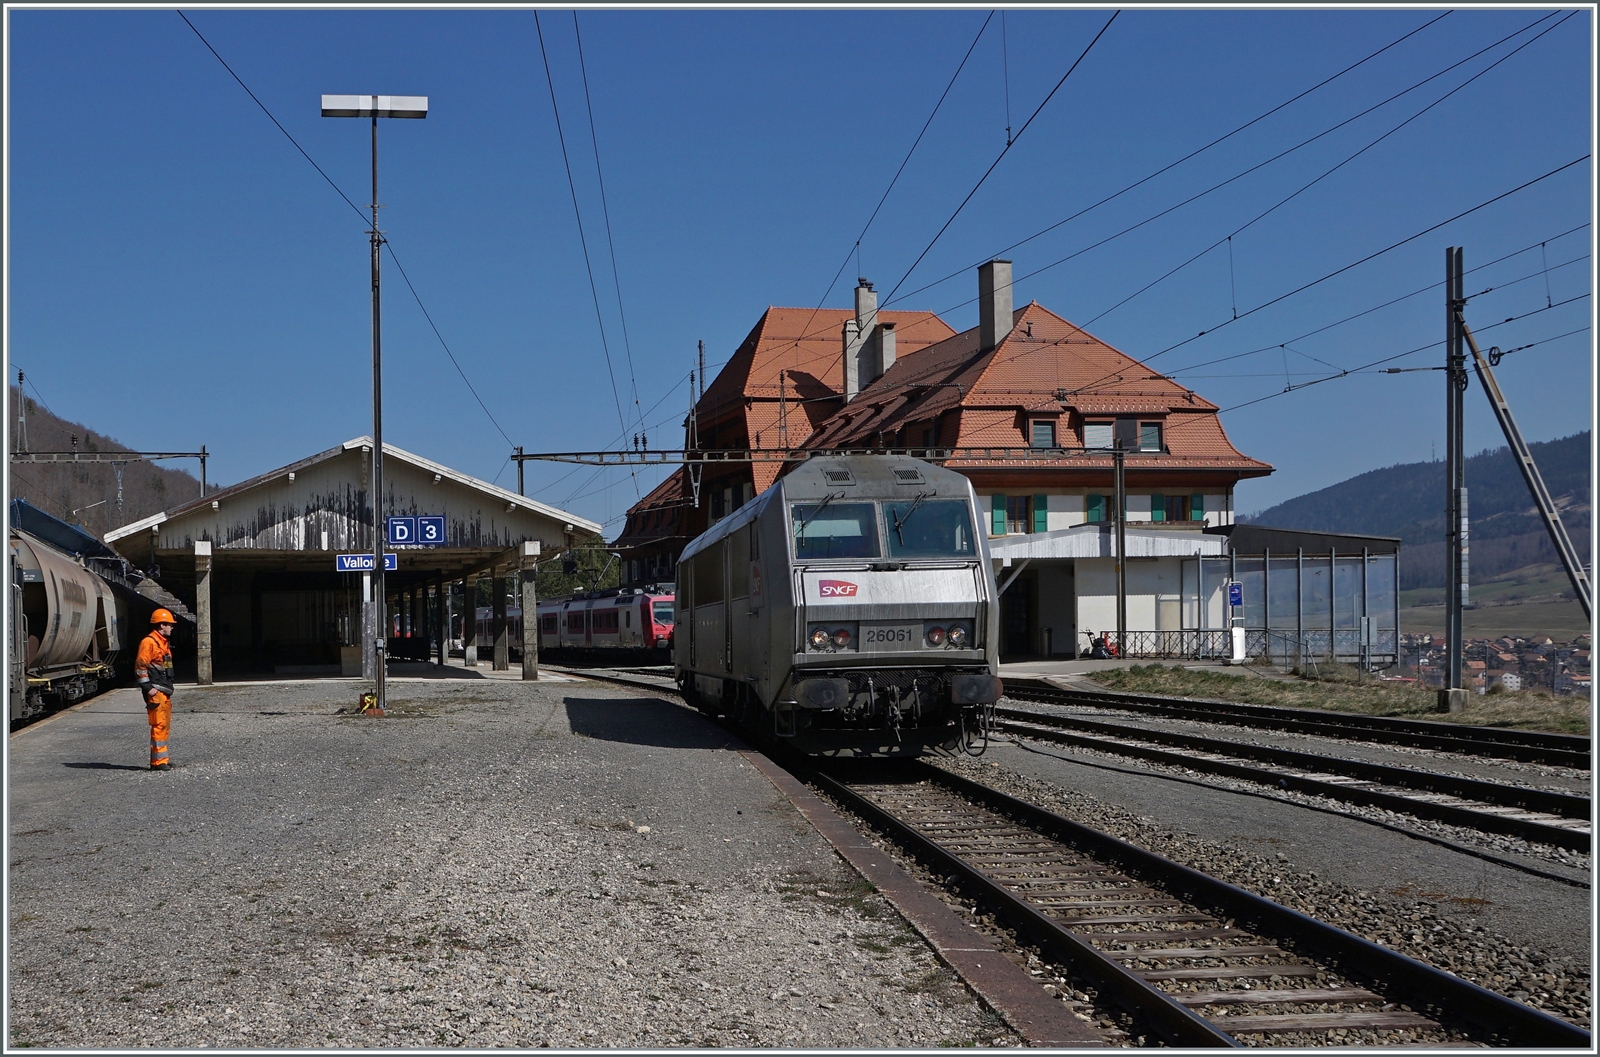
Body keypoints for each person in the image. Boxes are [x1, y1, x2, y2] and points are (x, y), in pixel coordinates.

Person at [136, 609, 178, 771]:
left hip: (164, 690)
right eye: (170, 625)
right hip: (156, 690)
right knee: (159, 725)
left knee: (164, 725)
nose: (172, 628)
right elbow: (140, 667)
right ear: (162, 625)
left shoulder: (162, 642)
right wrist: (148, 688)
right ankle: (158, 762)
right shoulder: (149, 643)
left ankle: (161, 760)